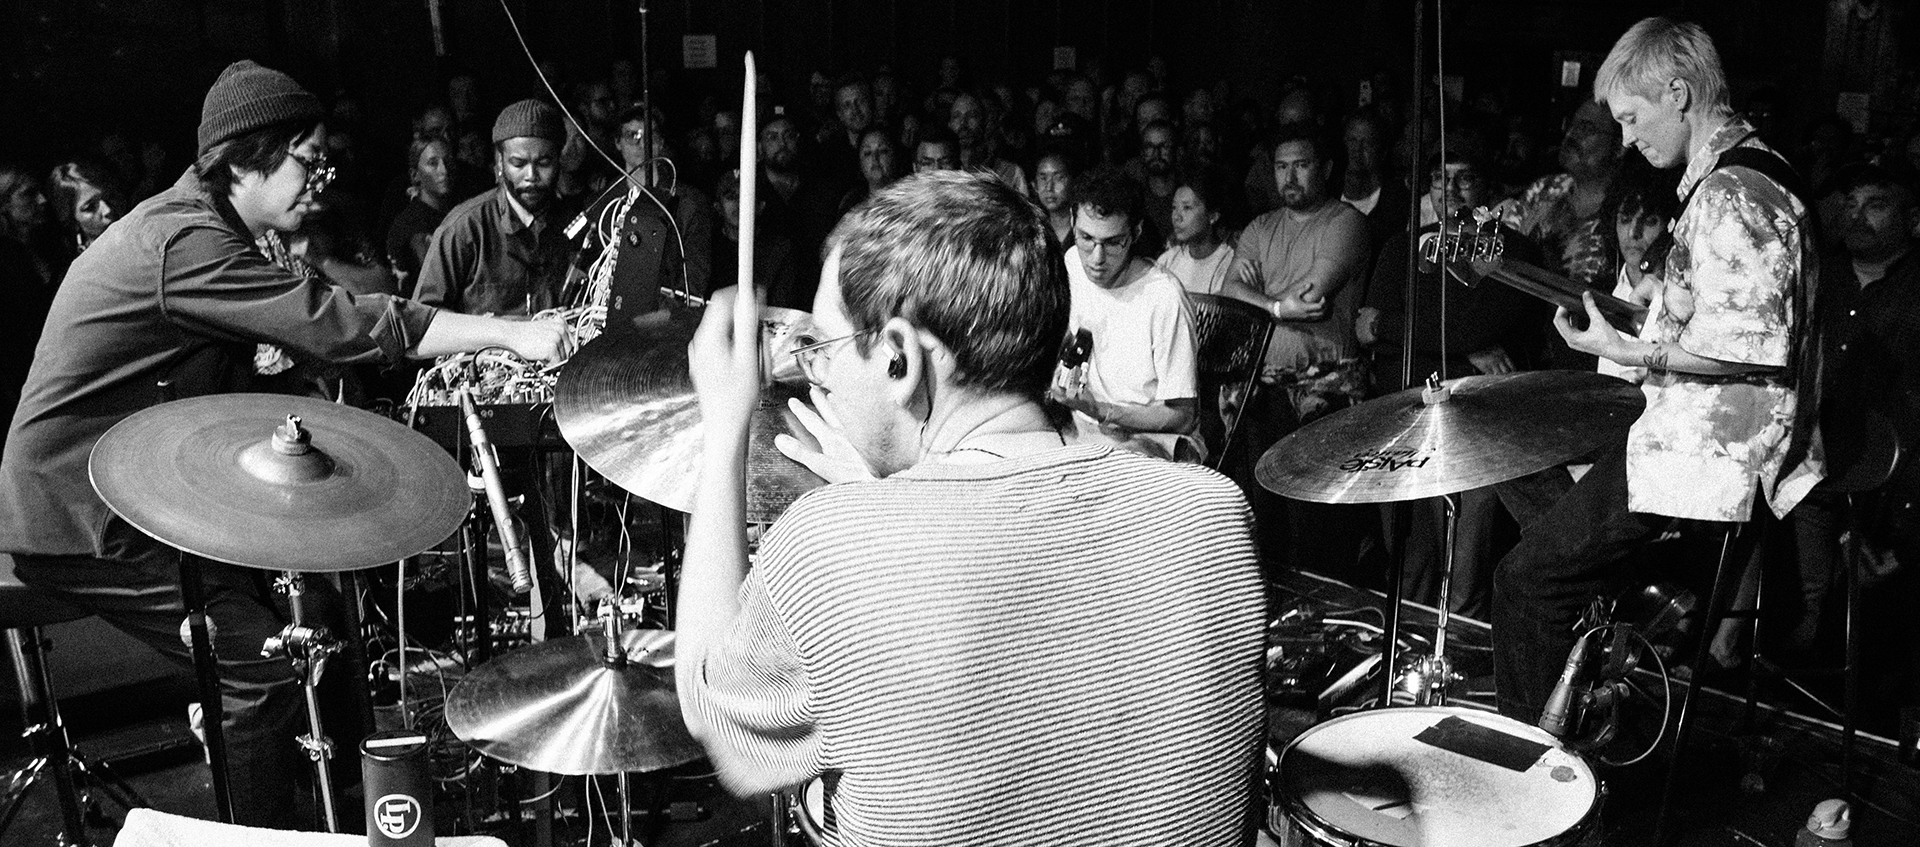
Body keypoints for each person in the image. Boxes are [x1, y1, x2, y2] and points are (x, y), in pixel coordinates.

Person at [0, 60, 569, 828]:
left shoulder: (217, 230)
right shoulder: (186, 243)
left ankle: (326, 816)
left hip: (128, 493)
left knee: (316, 616)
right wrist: (514, 333)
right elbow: (343, 324)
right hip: (76, 512)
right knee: (258, 667)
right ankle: (256, 834)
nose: (321, 178)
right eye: (308, 158)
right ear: (242, 159)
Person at [674, 170, 1265, 845]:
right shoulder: (1214, 512)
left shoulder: (829, 545)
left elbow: (707, 706)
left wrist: (723, 429)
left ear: (899, 356)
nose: (823, 375)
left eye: (826, 348)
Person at [1493, 18, 1824, 723]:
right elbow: (1734, 309)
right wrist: (1662, 304)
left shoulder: (1736, 192)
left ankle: (1543, 786)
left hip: (1710, 446)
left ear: (1678, 92)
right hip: (1690, 427)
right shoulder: (1735, 173)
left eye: (1634, 118)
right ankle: (1607, 673)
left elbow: (1750, 348)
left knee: (1526, 581)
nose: (1629, 138)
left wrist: (1628, 349)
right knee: (1512, 454)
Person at [1050, 166, 1202, 461]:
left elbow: (1183, 417)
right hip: (1083, 428)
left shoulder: (1163, 297)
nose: (1096, 258)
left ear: (1136, 233)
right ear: (1072, 222)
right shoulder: (1071, 264)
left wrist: (1103, 411)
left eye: (1112, 242)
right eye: (1086, 238)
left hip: (1150, 440)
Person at [415, 99, 578, 316]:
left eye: (543, 163)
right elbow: (424, 319)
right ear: (499, 163)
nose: (531, 176)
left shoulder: (575, 224)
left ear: (559, 161)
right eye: (518, 164)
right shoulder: (465, 228)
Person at [384, 135, 455, 296]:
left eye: (448, 161)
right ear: (415, 175)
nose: (444, 170)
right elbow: (436, 282)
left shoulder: (455, 212)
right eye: (433, 163)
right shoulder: (412, 223)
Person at [1155, 167, 1237, 296]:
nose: (1176, 216)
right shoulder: (1168, 261)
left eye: (1186, 208)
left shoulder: (1229, 263)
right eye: (1174, 207)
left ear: (1212, 216)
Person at [1031, 149, 1079, 248]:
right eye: (1043, 179)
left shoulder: (1085, 230)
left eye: (1058, 178)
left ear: (1073, 183)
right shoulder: (1033, 232)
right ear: (1035, 185)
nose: (1049, 188)